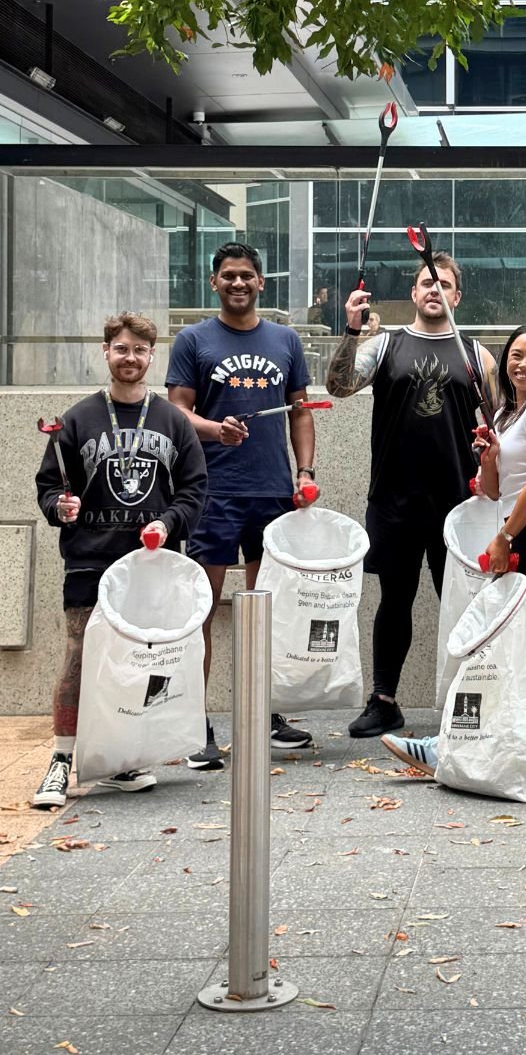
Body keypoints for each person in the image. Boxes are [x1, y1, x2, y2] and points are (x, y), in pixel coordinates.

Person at [381, 325, 526, 782]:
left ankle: (458, 742)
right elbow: (494, 490)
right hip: (523, 527)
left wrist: (506, 537)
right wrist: (489, 458)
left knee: (519, 639)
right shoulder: (506, 414)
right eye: (515, 355)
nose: (522, 364)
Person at [32, 313, 208, 808]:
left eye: (140, 350)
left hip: (151, 566)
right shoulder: (76, 420)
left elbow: (195, 489)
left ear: (153, 356)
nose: (130, 358)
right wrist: (59, 508)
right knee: (78, 659)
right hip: (90, 559)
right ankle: (61, 763)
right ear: (106, 352)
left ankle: (127, 759)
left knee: (143, 664)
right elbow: (50, 487)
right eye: (121, 349)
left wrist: (168, 523)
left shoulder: (173, 420)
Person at [326, 251, 497, 738]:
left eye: (443, 283)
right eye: (426, 282)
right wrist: (352, 331)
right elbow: (339, 386)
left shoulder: (476, 353)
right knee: (394, 600)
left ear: (456, 296)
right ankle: (384, 701)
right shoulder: (386, 345)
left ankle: (465, 698)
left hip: (459, 505)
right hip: (394, 499)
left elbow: (504, 421)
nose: (434, 290)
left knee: (460, 603)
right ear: (414, 292)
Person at [167, 242, 318, 770]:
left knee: (267, 610)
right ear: (215, 283)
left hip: (272, 490)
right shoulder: (193, 340)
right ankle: (195, 724)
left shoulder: (285, 339)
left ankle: (265, 714)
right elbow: (178, 411)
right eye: (228, 275)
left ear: (260, 282)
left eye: (246, 275)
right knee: (202, 610)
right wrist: (215, 429)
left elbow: (301, 413)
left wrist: (304, 472)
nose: (237, 283)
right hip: (210, 492)